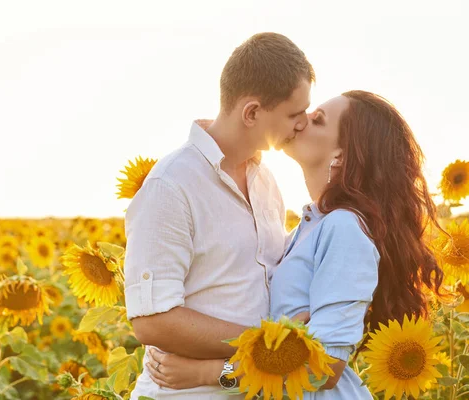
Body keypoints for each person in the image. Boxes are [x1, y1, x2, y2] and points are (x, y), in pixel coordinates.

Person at [144, 91, 445, 399]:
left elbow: (324, 367)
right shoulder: (312, 225)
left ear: (341, 155)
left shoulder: (345, 228)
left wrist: (205, 373)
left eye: (318, 120)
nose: (301, 122)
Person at [123, 32, 314, 399]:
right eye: (294, 113)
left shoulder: (266, 181)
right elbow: (151, 321)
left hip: (235, 384)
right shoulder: (171, 185)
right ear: (252, 112)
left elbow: (231, 372)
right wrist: (265, 346)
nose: (302, 123)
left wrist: (221, 368)